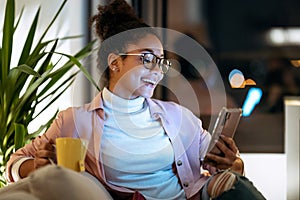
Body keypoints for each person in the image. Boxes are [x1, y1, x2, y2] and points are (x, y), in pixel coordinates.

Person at [2, 0, 266, 199]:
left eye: (160, 62)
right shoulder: (74, 121)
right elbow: (12, 165)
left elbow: (218, 164)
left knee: (237, 186)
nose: (157, 71)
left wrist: (234, 162)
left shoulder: (178, 116)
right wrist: (34, 167)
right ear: (115, 62)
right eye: (147, 59)